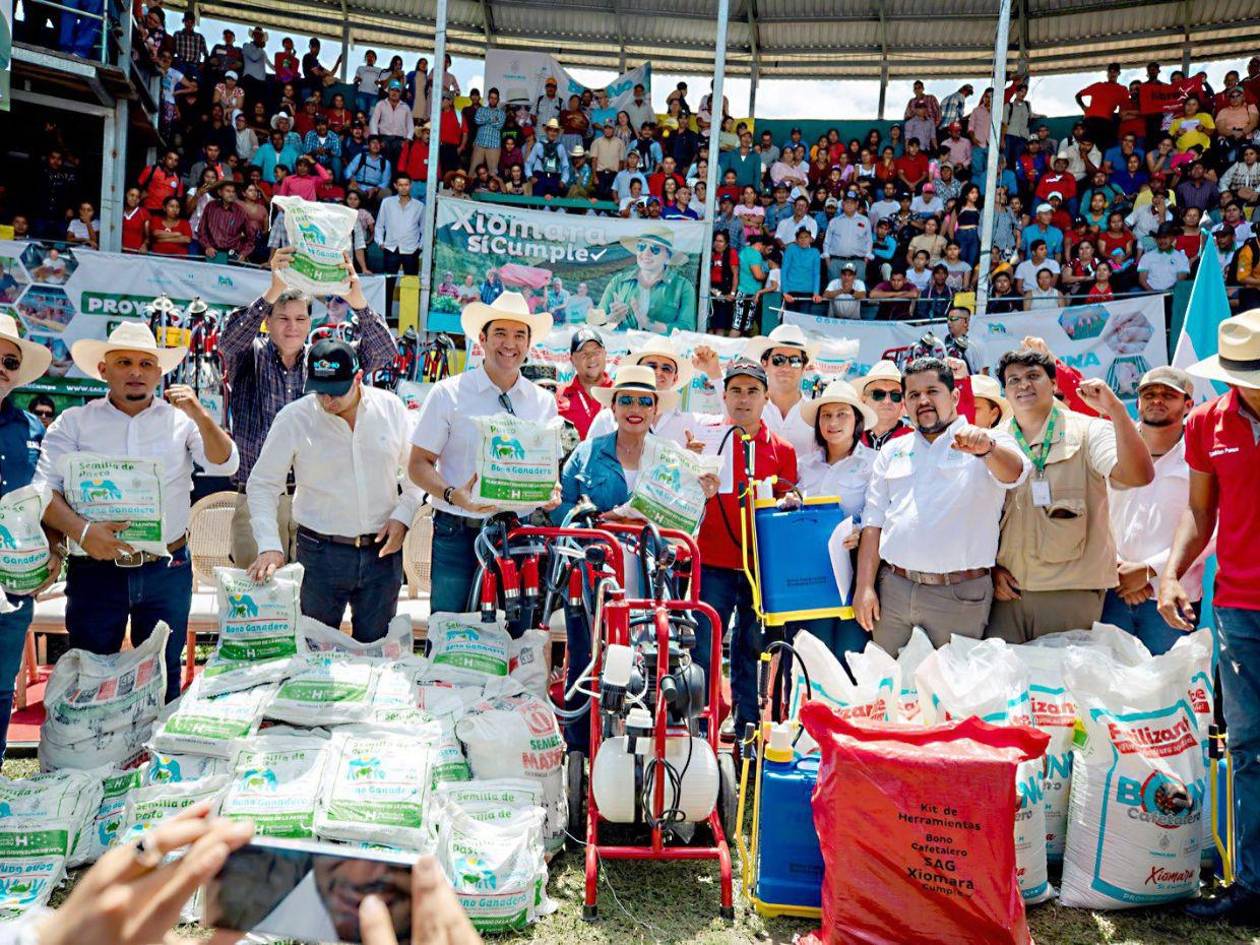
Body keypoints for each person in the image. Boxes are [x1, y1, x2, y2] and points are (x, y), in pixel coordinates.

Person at [35, 323, 239, 702]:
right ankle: (92, 756)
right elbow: (43, 489)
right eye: (124, 362)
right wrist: (82, 532)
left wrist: (199, 412)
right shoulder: (74, 422)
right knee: (91, 670)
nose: (135, 371)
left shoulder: (182, 421)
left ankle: (158, 757)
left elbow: (226, 463)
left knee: (163, 670)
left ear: (158, 373)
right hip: (95, 569)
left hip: (166, 569)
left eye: (146, 363)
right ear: (103, 370)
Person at [552, 365, 717, 751]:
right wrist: (593, 521)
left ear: (656, 408)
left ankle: (650, 745)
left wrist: (701, 493)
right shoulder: (587, 453)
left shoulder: (672, 457)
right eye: (626, 399)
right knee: (586, 657)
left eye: (645, 400)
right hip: (595, 573)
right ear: (613, 406)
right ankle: (579, 749)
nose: (635, 408)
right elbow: (562, 507)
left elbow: (688, 521)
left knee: (655, 655)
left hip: (653, 572)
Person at [1158, 310, 1260, 924]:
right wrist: (1173, 572)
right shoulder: (1205, 423)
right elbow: (1200, 511)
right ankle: (1252, 885)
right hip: (1240, 609)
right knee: (1248, 747)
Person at [220, 248, 397, 569]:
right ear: (268, 322)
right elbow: (229, 341)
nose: (292, 327)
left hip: (313, 498)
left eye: (301, 318)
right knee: (257, 605)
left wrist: (359, 303)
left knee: (310, 605)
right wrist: (271, 291)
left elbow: (384, 352)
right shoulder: (249, 356)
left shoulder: (323, 362)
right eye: (283, 318)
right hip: (258, 497)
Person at [245, 338, 419, 641]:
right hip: (319, 554)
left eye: (337, 392)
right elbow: (262, 484)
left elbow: (416, 474)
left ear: (359, 377)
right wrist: (269, 544)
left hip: (382, 553)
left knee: (377, 654)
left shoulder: (390, 409)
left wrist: (403, 517)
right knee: (312, 652)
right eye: (321, 391)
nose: (328, 401)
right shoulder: (295, 418)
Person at [854, 358, 1029, 651]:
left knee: (951, 691)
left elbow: (1015, 473)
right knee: (891, 689)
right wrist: (865, 587)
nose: (923, 400)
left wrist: (987, 450)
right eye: (913, 395)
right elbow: (873, 523)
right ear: (905, 405)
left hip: (958, 596)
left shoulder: (990, 441)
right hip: (894, 591)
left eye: (932, 391)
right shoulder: (893, 450)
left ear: (955, 396)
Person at [987, 347, 1155, 642]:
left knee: (1060, 686)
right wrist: (991, 571)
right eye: (1013, 380)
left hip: (1070, 593)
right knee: (1008, 687)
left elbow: (1138, 475)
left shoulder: (1091, 431)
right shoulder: (995, 441)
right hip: (1007, 595)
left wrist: (1116, 411)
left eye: (1033, 376)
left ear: (1054, 384)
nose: (1023, 385)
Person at [408, 293, 558, 619]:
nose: (510, 343)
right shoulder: (448, 393)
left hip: (519, 534)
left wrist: (550, 491)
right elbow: (418, 465)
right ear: (483, 339)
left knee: (515, 637)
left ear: (529, 343)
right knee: (449, 631)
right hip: (457, 532)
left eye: (520, 335)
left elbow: (547, 471)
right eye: (501, 333)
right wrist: (453, 494)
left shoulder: (543, 402)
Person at [694, 359, 797, 741]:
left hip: (759, 567)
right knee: (704, 644)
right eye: (735, 390)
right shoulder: (707, 441)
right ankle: (700, 722)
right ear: (724, 396)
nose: (743, 398)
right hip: (714, 564)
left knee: (752, 647)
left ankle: (747, 727)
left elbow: (788, 504)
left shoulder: (782, 450)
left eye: (752, 391)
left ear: (766, 397)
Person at [1094, 367, 1201, 655]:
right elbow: (1095, 511)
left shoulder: (1201, 453)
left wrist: (1149, 570)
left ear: (1188, 404)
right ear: (1137, 403)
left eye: (1169, 395)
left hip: (1170, 600)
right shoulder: (1112, 446)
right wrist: (1118, 568)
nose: (1157, 400)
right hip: (1110, 591)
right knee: (1108, 690)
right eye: (1149, 394)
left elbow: (1211, 526)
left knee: (1167, 691)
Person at [792, 380, 878, 665]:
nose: (833, 422)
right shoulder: (804, 466)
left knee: (849, 654)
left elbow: (883, 513)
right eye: (826, 415)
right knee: (812, 656)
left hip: (856, 572)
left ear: (857, 421)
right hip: (810, 576)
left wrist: (861, 530)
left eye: (843, 414)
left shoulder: (875, 463)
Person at [0, 318, 55, 756]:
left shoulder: (33, 431)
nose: (2, 367)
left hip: (13, 584)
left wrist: (55, 553)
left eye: (10, 361)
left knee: (2, 688)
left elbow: (48, 501)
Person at [586, 337, 720, 446]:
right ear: (636, 370)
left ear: (675, 378)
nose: (658, 372)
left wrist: (714, 373)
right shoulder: (606, 419)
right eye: (651, 366)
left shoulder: (689, 422)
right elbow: (586, 464)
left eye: (667, 368)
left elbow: (733, 422)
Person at [597, 224, 697, 333]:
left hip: (661, 349)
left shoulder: (683, 286)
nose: (646, 253)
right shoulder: (618, 282)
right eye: (641, 247)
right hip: (620, 348)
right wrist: (611, 319)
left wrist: (649, 324)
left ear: (668, 257)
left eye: (655, 249)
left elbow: (687, 328)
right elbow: (596, 324)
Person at [742, 323, 818, 458]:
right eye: (778, 360)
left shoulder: (816, 414)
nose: (786, 367)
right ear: (764, 363)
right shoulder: (747, 409)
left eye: (795, 361)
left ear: (804, 367)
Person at [558, 327, 610, 440]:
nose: (592, 358)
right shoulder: (558, 395)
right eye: (584, 354)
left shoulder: (619, 392)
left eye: (596, 352)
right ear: (572, 360)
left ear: (605, 354)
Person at [856, 359, 913, 449]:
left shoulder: (915, 440)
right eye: (878, 394)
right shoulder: (849, 439)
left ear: (902, 403)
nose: (887, 401)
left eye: (895, 395)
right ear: (864, 400)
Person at [376, 173, 424, 276]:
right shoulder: (387, 202)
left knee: (411, 284)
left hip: (411, 249)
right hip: (391, 248)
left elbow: (424, 229)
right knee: (388, 283)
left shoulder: (419, 206)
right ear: (395, 186)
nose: (403, 188)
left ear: (410, 185)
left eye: (406, 185)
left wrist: (420, 246)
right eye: (400, 185)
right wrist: (380, 242)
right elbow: (380, 224)